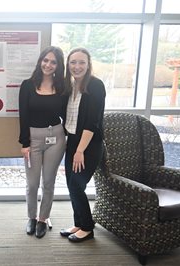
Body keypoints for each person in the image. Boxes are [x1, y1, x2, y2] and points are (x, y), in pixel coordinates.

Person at [18, 46, 68, 238]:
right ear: (40, 61)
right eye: (45, 60)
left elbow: (66, 114)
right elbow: (23, 115)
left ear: (58, 65)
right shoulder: (27, 85)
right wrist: (25, 143)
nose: (48, 64)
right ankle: (31, 217)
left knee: (48, 182)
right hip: (33, 138)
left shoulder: (62, 87)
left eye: (53, 62)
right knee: (32, 184)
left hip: (56, 137)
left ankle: (42, 218)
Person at [60, 47, 106, 243]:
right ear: (68, 65)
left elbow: (92, 122)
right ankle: (79, 223)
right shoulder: (69, 86)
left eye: (81, 62)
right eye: (73, 62)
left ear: (88, 65)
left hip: (89, 145)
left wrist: (80, 150)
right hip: (72, 142)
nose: (77, 66)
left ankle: (87, 228)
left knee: (77, 184)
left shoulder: (95, 85)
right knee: (71, 185)